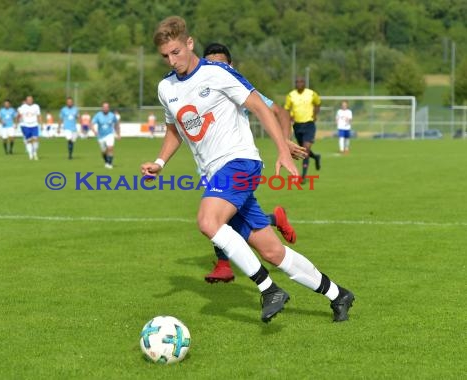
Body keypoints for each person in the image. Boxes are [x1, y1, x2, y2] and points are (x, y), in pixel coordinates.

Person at [141, 16, 354, 323]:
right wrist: (159, 163)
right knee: (272, 252)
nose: (172, 60)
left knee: (207, 220)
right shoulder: (166, 88)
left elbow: (260, 107)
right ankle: (338, 295)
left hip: (240, 162)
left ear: (189, 43)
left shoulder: (218, 72)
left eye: (176, 51)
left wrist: (283, 149)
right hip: (215, 174)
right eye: (165, 56)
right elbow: (175, 128)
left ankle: (268, 289)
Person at [202, 42, 303, 283]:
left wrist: (284, 141)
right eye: (210, 64)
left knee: (215, 218)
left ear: (231, 65)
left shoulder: (237, 86)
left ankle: (225, 266)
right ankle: (274, 219)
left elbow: (279, 111)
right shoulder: (198, 89)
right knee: (232, 218)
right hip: (209, 164)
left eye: (221, 63)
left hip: (236, 163)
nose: (215, 68)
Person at [285, 77, 322, 183]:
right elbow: (287, 108)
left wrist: (315, 115)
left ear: (305, 83)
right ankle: (316, 157)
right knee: (302, 150)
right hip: (297, 125)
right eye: (297, 82)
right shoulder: (291, 95)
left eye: (301, 82)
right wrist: (290, 116)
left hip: (309, 124)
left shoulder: (311, 93)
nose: (299, 83)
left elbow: (318, 103)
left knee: (305, 149)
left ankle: (303, 176)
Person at [92, 102, 120, 169]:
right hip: (101, 136)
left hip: (110, 134)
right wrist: (94, 131)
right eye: (104, 107)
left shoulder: (112, 115)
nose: (105, 108)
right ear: (102, 108)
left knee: (110, 148)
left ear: (109, 108)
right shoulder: (98, 115)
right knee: (104, 151)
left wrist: (118, 133)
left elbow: (116, 124)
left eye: (107, 107)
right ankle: (106, 162)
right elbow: (91, 124)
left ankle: (110, 164)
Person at [17, 95, 42, 160]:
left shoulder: (36, 106)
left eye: (31, 99)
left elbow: (39, 115)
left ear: (32, 100)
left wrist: (41, 124)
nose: (30, 101)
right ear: (26, 100)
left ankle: (35, 152)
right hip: (26, 125)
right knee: (29, 140)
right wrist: (17, 120)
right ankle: (30, 155)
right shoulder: (23, 107)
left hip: (34, 125)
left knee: (35, 139)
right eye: (28, 100)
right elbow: (19, 115)